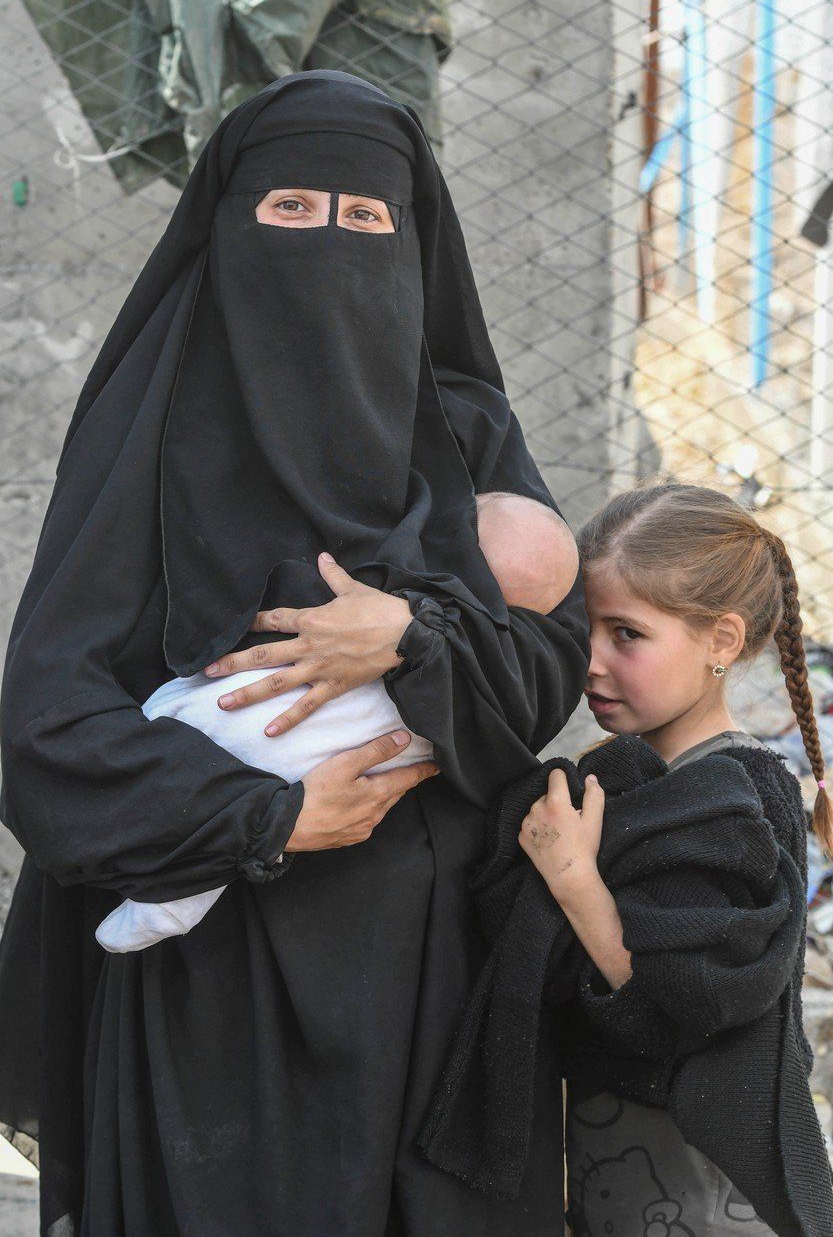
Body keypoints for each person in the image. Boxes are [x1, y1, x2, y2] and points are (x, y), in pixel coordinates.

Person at [0, 71, 590, 1237]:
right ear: (224, 228)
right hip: (206, 972)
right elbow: (45, 724)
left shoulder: (461, 430)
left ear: (414, 245)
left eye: (366, 220)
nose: (330, 248)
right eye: (289, 215)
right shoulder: (146, 438)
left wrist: (411, 637)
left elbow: (543, 669)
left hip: (430, 963)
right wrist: (259, 814)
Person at [517, 482, 833, 1236]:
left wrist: (571, 879)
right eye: (583, 628)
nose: (590, 661)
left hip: (699, 1180)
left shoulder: (731, 799)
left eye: (625, 634)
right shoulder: (648, 773)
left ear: (721, 642)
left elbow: (687, 1004)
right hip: (629, 1164)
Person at [96, 490, 579, 954]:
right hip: (242, 749)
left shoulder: (492, 664)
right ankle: (173, 897)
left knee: (204, 730)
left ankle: (173, 896)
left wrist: (423, 637)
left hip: (276, 774)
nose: (473, 603)